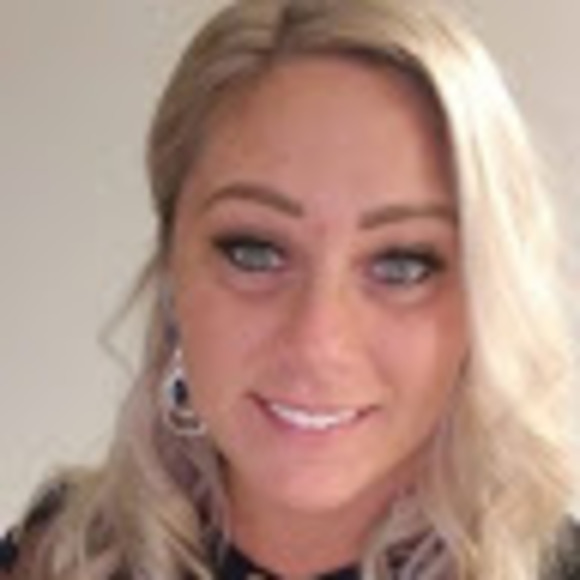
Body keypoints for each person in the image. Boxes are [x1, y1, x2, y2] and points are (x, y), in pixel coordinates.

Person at [1, 0, 578, 578]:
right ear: (172, 264)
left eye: (402, 265)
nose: (317, 343)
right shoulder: (52, 559)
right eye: (254, 252)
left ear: (485, 292)